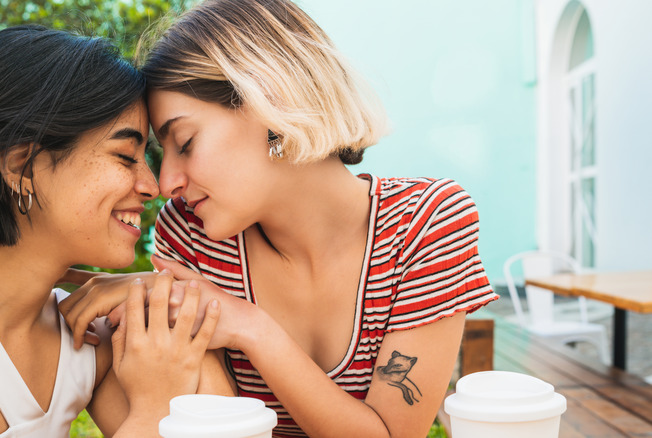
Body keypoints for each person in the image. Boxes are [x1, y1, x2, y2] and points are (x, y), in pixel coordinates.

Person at [60, 0, 499, 436]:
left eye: (186, 142)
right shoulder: (193, 234)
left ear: (272, 101)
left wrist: (250, 327)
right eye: (163, 154)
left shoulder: (426, 224)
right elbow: (215, 427)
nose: (167, 182)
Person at [0, 25, 229, 437]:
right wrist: (151, 410)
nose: (153, 186)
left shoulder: (88, 338)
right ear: (20, 166)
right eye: (125, 156)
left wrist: (175, 304)